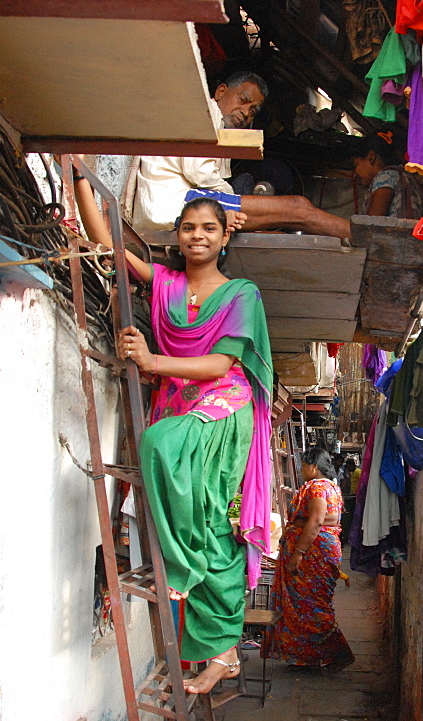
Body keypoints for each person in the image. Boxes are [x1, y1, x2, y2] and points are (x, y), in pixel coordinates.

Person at [72, 173, 273, 694]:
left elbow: (225, 362)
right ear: (177, 234)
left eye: (209, 228)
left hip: (223, 408)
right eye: (188, 227)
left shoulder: (241, 293)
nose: (197, 235)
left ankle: (187, 580)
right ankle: (223, 653)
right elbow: (111, 249)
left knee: (165, 453)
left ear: (226, 236)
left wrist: (152, 359)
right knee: (208, 523)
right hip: (180, 406)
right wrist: (78, 183)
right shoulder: (166, 282)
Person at [133, 70, 351, 241]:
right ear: (221, 92)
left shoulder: (221, 131)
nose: (246, 112)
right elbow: (200, 173)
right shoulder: (205, 112)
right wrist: (234, 194)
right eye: (242, 100)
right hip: (175, 205)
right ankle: (363, 236)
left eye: (254, 110)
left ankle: (355, 236)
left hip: (177, 205)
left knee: (282, 227)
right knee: (298, 207)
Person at [264, 447, 354, 671]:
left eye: (304, 465)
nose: (302, 470)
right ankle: (309, 656)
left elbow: (315, 521)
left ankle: (339, 652)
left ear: (314, 467)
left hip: (313, 556)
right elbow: (330, 518)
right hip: (321, 552)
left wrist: (298, 554)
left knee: (310, 606)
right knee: (309, 605)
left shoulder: (316, 488)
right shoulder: (332, 487)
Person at [351, 129, 423, 220]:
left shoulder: (386, 177)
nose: (355, 174)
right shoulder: (405, 176)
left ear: (371, 157)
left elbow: (371, 225)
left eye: (356, 165)